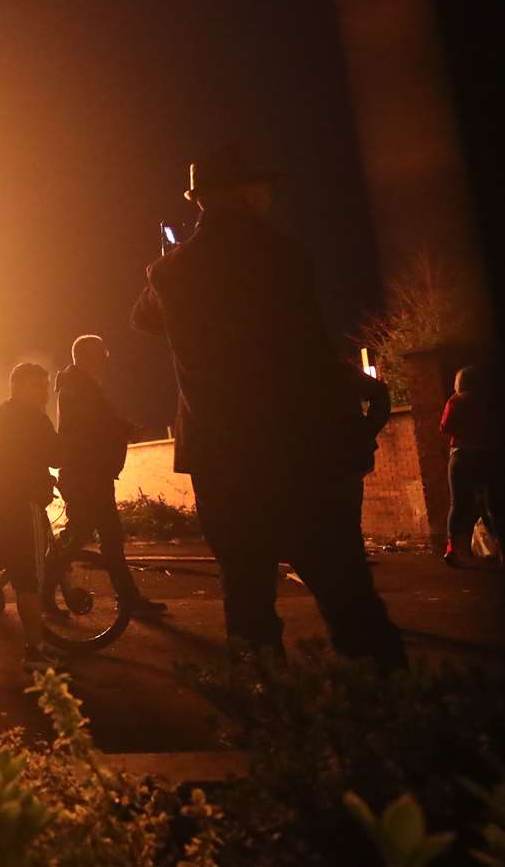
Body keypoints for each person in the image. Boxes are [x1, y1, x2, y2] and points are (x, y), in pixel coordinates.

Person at [131, 147, 406, 670]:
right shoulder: (282, 255)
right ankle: (390, 704)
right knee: (343, 587)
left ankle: (263, 708)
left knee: (247, 592)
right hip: (298, 452)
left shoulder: (169, 273)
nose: (267, 195)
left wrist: (169, 266)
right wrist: (357, 395)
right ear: (244, 192)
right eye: (261, 186)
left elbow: (143, 321)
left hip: (221, 457)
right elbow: (309, 349)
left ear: (199, 200)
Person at [50, 335, 166, 616]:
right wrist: (129, 430)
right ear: (88, 356)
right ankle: (42, 587)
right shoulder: (80, 387)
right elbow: (99, 422)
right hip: (87, 476)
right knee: (100, 537)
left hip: (89, 474)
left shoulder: (78, 385)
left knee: (90, 536)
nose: (105, 360)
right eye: (102, 354)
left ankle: (45, 587)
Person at [0, 362, 63, 670]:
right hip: (20, 506)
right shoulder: (35, 418)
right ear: (20, 386)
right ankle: (34, 651)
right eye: (39, 386)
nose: (44, 392)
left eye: (45, 386)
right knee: (27, 580)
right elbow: (56, 456)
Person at [440, 365, 500, 567]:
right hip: (485, 454)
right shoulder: (488, 402)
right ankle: (502, 547)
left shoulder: (455, 401)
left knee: (458, 504)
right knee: (490, 502)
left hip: (461, 455)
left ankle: (454, 550)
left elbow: (445, 427)